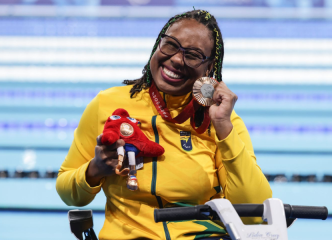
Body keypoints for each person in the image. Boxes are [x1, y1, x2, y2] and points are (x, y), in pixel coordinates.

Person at [56, 9, 272, 240]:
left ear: (209, 68)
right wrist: (93, 170)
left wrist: (223, 126)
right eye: (170, 45)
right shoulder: (107, 104)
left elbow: (255, 215)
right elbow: (68, 191)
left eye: (193, 54)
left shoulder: (220, 121)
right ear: (158, 45)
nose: (177, 59)